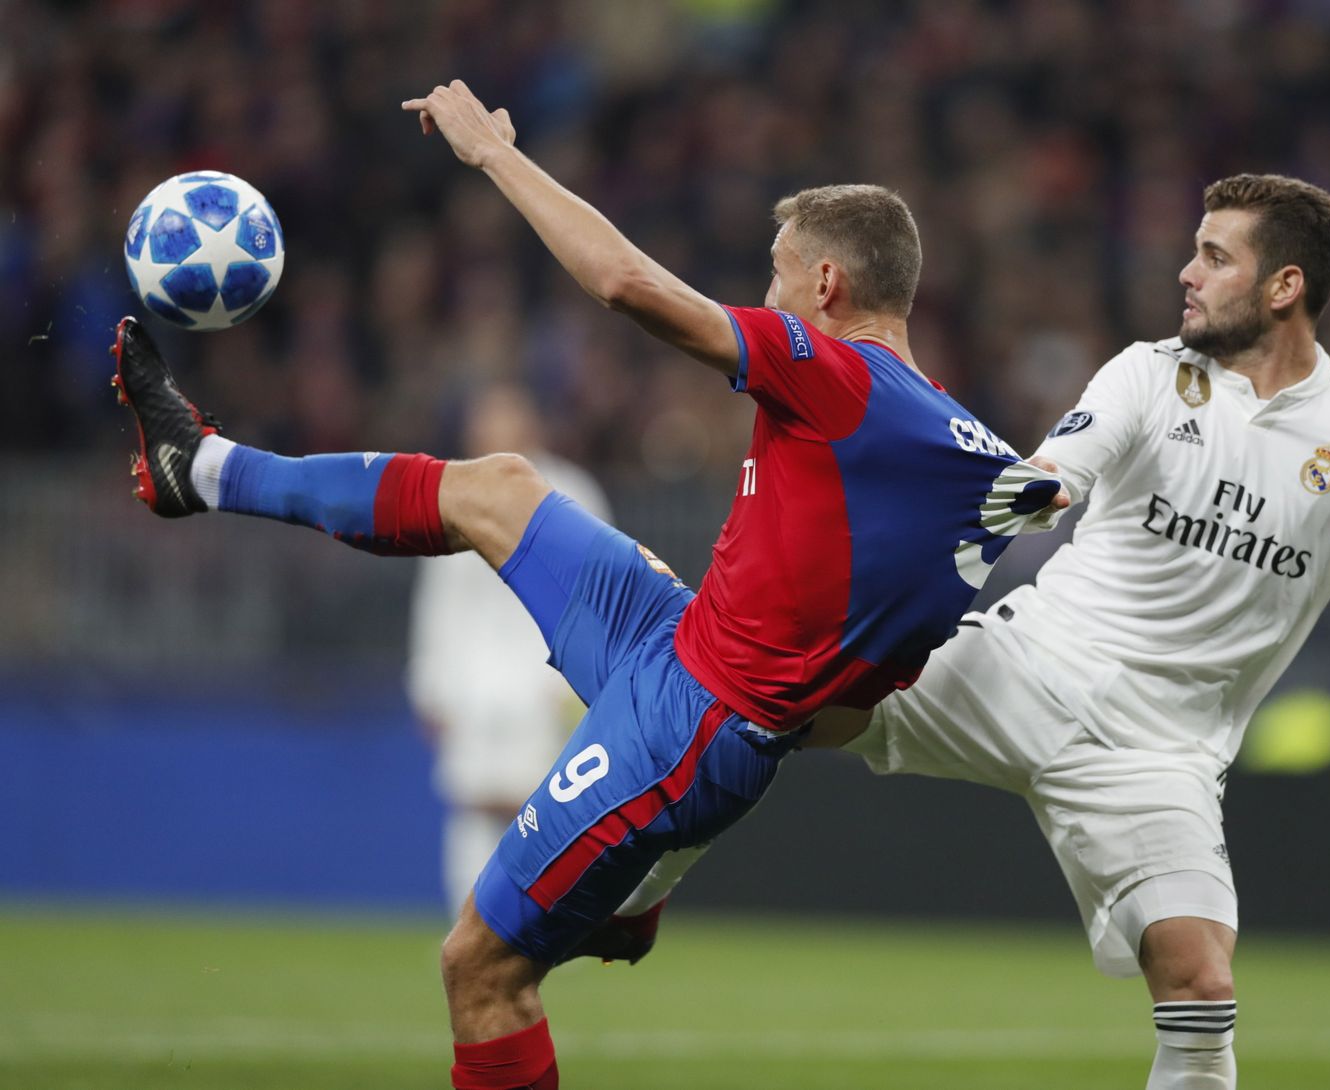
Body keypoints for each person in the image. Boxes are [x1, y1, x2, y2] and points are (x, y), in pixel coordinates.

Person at [110, 78, 1067, 1090]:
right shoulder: (965, 451)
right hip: (681, 643)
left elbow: (623, 283)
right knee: (500, 490)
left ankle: (638, 874)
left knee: (479, 970)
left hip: (690, 719)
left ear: (827, 282)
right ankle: (202, 468)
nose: (769, 294)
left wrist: (492, 154)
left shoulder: (835, 373)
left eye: (778, 273)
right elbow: (877, 664)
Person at [611, 174, 1330, 1090]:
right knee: (772, 698)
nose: (1187, 273)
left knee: (1202, 989)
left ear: (1284, 286)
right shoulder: (1148, 374)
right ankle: (642, 889)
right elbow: (1054, 474)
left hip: (1158, 755)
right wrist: (1013, 488)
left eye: (1215, 257)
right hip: (1022, 668)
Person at [408, 383, 611, 915]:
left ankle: (539, 929)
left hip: (542, 683)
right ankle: (467, 929)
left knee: (542, 811)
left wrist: (580, 683)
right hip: (473, 687)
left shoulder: (573, 493)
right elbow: (439, 601)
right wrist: (431, 686)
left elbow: (598, 596)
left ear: (531, 426)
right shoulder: (451, 491)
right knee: (473, 807)